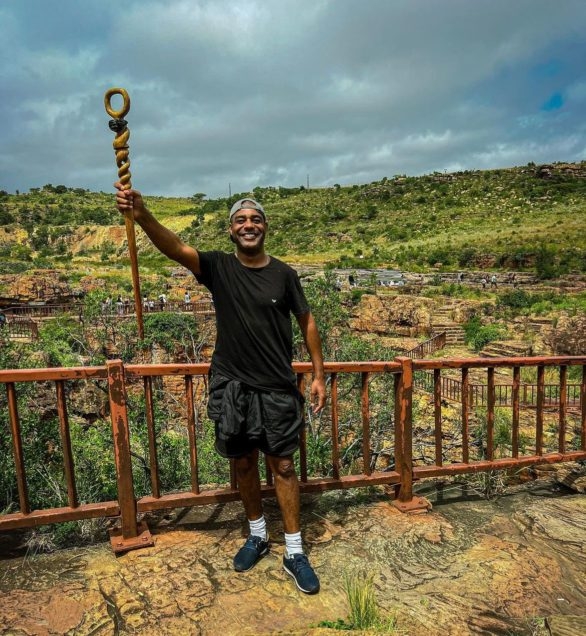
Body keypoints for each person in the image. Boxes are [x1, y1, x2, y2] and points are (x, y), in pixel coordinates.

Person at [115, 186, 326, 595]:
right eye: (240, 220)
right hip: (232, 385)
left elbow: (307, 322)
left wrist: (317, 374)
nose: (248, 224)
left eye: (255, 219)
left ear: (265, 227)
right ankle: (258, 535)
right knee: (244, 463)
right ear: (231, 230)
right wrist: (141, 215)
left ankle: (295, 551)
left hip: (278, 386)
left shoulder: (284, 274)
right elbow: (175, 246)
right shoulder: (218, 268)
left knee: (282, 466)